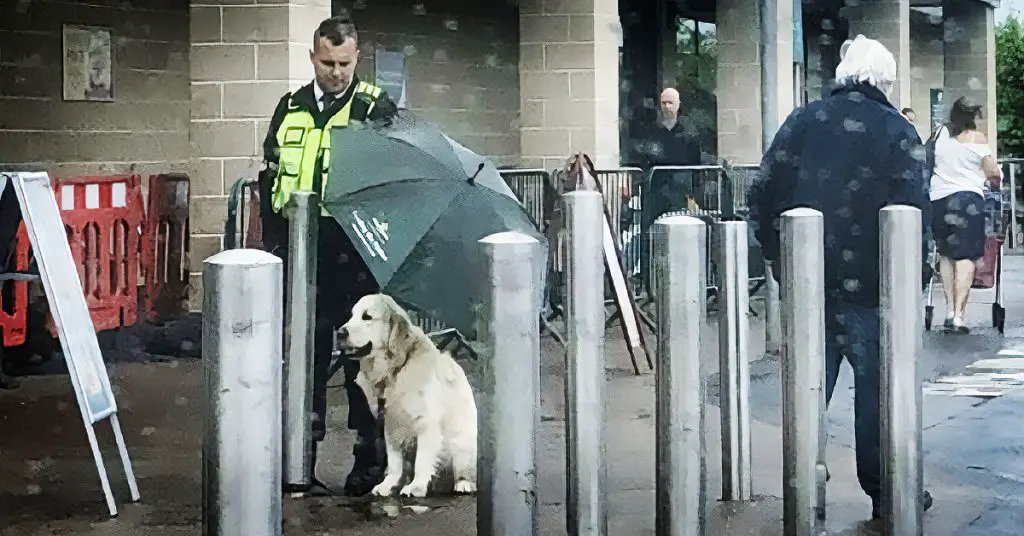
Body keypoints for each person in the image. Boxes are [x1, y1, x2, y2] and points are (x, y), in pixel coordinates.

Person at [748, 34, 933, 521]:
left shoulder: (803, 121)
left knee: (808, 388)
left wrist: (778, 255)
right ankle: (886, 489)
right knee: (878, 394)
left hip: (810, 279)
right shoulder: (897, 130)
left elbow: (764, 190)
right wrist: (913, 275)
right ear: (885, 81)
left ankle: (804, 483)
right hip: (873, 283)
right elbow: (913, 210)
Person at [258, 12, 398, 497]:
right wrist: (276, 242)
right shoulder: (290, 107)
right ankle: (300, 460)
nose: (336, 72)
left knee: (364, 360)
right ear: (312, 57)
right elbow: (270, 177)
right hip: (302, 254)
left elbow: (391, 185)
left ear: (357, 57)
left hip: (356, 255)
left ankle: (369, 461)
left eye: (344, 62)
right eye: (326, 62)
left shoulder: (375, 108)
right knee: (305, 359)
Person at [928, 97, 1002, 333]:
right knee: (966, 257)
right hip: (967, 201)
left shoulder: (939, 134)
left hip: (938, 199)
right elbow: (992, 172)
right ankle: (959, 314)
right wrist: (995, 179)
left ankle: (949, 310)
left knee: (946, 255)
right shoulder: (976, 139)